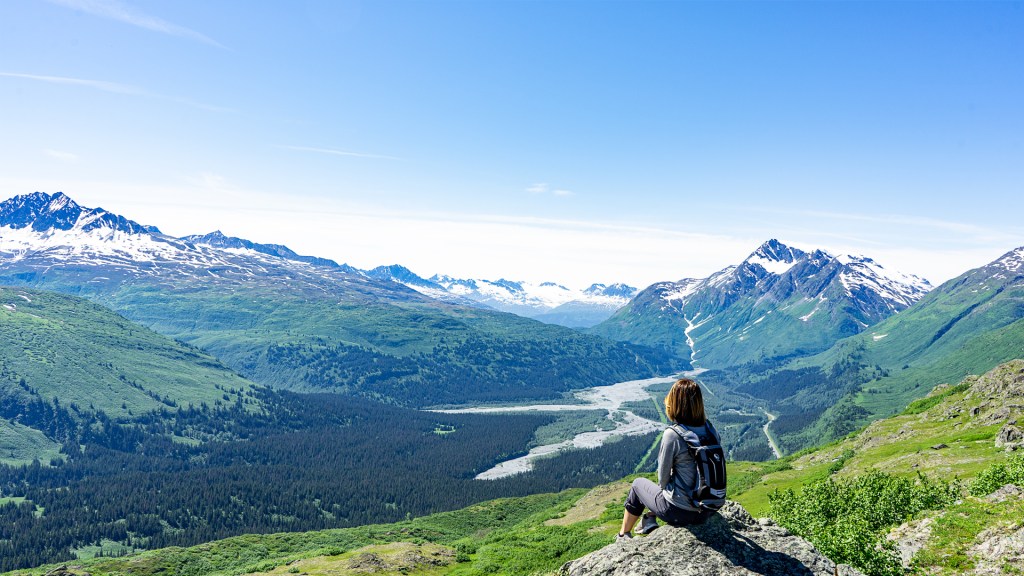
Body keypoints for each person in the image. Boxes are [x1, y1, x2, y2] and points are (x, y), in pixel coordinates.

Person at [618, 378, 720, 539]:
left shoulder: (673, 434)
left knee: (638, 485)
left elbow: (662, 481)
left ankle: (623, 536)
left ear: (674, 404)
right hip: (707, 510)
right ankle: (649, 519)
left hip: (679, 512)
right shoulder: (710, 430)